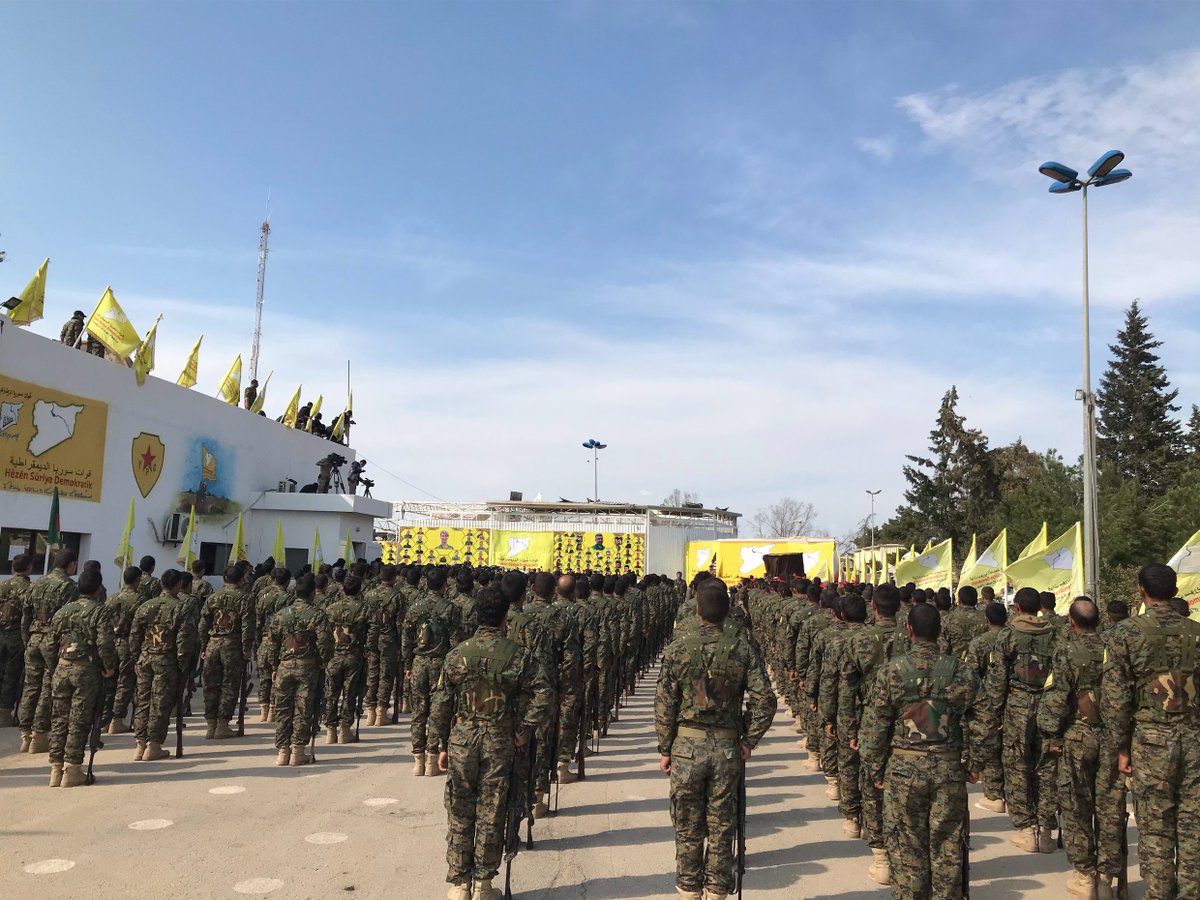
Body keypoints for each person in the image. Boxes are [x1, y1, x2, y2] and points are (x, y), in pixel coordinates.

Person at [655, 578, 777, 900]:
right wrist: (748, 740)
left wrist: (666, 748)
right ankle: (717, 892)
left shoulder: (678, 648)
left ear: (697, 611)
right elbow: (765, 700)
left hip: (685, 749)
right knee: (722, 828)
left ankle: (689, 892)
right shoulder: (743, 648)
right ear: (728, 612)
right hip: (726, 749)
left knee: (687, 826)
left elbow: (664, 703)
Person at [430, 587, 553, 900]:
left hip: (462, 742)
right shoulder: (518, 655)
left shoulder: (457, 654)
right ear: (504, 618)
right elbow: (543, 693)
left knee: (460, 810)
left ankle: (459, 885)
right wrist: (525, 729)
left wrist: (440, 745)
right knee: (492, 810)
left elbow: (441, 702)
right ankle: (484, 884)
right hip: (500, 741)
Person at [860, 603, 979, 899]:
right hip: (948, 769)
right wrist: (975, 763)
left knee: (905, 847)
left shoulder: (892, 672)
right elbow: (985, 719)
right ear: (939, 631)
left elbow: (873, 728)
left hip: (903, 770)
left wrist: (876, 770)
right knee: (948, 846)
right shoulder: (962, 672)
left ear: (909, 631)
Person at [1101, 563, 1200, 900]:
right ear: (1175, 592)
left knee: (1155, 828)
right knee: (1192, 825)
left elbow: (1115, 699)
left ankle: (1158, 893)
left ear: (1141, 591)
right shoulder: (1196, 631)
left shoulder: (1125, 633)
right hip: (1194, 739)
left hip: (1151, 742)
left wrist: (1121, 749)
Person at [1037, 597, 1120, 899]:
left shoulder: (1068, 651)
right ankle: (1106, 879)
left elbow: (1058, 699)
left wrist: (1050, 736)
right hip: (1112, 737)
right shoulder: (1117, 648)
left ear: (1071, 622)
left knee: (1076, 805)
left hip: (1077, 736)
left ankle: (1085, 877)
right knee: (1111, 807)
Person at [975, 586, 1060, 853]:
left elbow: (998, 680)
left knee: (1017, 767)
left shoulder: (1008, 636)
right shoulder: (1057, 635)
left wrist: (994, 716)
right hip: (1049, 706)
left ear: (1018, 608)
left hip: (1017, 709)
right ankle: (1046, 830)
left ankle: (1027, 829)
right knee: (1046, 769)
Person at [839, 582, 901, 883]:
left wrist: (848, 728)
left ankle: (882, 857)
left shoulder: (859, 641)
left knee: (873, 783)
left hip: (870, 719)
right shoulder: (913, 635)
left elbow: (846, 689)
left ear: (873, 607)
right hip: (912, 722)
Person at [46, 567, 117, 787]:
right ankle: (72, 769)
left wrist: (54, 666)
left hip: (62, 667)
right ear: (98, 588)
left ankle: (55, 769)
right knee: (78, 720)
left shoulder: (63, 611)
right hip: (86, 671)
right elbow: (105, 643)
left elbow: (51, 643)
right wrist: (109, 667)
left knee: (59, 719)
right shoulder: (100, 611)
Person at [264, 573, 333, 766]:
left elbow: (272, 643)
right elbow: (325, 642)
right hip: (308, 667)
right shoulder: (317, 615)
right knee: (303, 709)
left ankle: (282, 751)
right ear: (312, 593)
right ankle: (298, 751)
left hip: (284, 666)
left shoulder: (281, 615)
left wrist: (273, 665)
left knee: (283, 709)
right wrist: (324, 660)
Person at [129, 568, 197, 761]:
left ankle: (140, 743)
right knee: (160, 703)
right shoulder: (180, 608)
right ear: (177, 585)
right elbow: (184, 640)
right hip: (167, 661)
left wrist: (136, 657)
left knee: (142, 701)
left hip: (145, 658)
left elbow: (134, 636)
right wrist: (184, 665)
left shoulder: (145, 606)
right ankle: (154, 744)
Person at [402, 567, 462, 776]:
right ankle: (431, 759)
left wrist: (408, 665)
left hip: (419, 663)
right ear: (445, 584)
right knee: (439, 712)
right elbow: (455, 642)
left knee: (418, 711)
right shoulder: (450, 608)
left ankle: (417, 760)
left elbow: (407, 638)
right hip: (440, 664)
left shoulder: (415, 608)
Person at [19, 549, 79, 753]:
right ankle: (39, 734)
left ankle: (25, 734)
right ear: (70, 564)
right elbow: (69, 619)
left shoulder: (37, 583)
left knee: (30, 686)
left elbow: (25, 614)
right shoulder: (68, 586)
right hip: (53, 641)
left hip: (34, 637)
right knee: (48, 687)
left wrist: (26, 638)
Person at [198, 566, 253, 740]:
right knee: (229, 685)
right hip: (232, 645)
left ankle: (210, 725)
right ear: (241, 579)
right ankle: (222, 724)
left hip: (212, 644)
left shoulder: (213, 598)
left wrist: (204, 646)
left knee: (210, 685)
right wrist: (247, 648)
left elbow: (202, 625)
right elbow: (247, 626)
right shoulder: (245, 598)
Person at [965, 601, 1009, 813]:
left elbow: (971, 675)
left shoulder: (980, 643)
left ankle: (994, 794)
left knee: (990, 746)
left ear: (987, 620)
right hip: (1015, 700)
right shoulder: (1013, 639)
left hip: (987, 701)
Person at [323, 574, 369, 744]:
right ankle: (344, 729)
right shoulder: (364, 608)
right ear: (359, 590)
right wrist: (368, 650)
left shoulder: (331, 608)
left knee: (331, 693)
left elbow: (324, 632)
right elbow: (372, 631)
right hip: (354, 656)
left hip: (334, 656)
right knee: (350, 693)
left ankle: (330, 730)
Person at [364, 565, 405, 726]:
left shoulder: (369, 595)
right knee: (386, 676)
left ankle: (370, 711)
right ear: (394, 578)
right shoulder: (397, 596)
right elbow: (400, 623)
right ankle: (381, 711)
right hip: (389, 640)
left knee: (372, 674)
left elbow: (365, 619)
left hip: (372, 639)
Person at [105, 566, 144, 734]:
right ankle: (117, 719)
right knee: (125, 683)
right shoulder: (140, 599)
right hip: (129, 644)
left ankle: (105, 720)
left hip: (112, 643)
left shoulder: (112, 598)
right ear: (137, 580)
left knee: (110, 682)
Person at [0, 553, 33, 727]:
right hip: (17, 637)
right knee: (12, 675)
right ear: (29, 567)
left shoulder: (3, 585)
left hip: (1, 634)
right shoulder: (29, 588)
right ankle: (5, 712)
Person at [939, 585, 986, 660]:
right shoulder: (986, 618)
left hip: (956, 665)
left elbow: (943, 648)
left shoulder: (947, 620)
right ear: (976, 600)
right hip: (983, 664)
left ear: (959, 600)